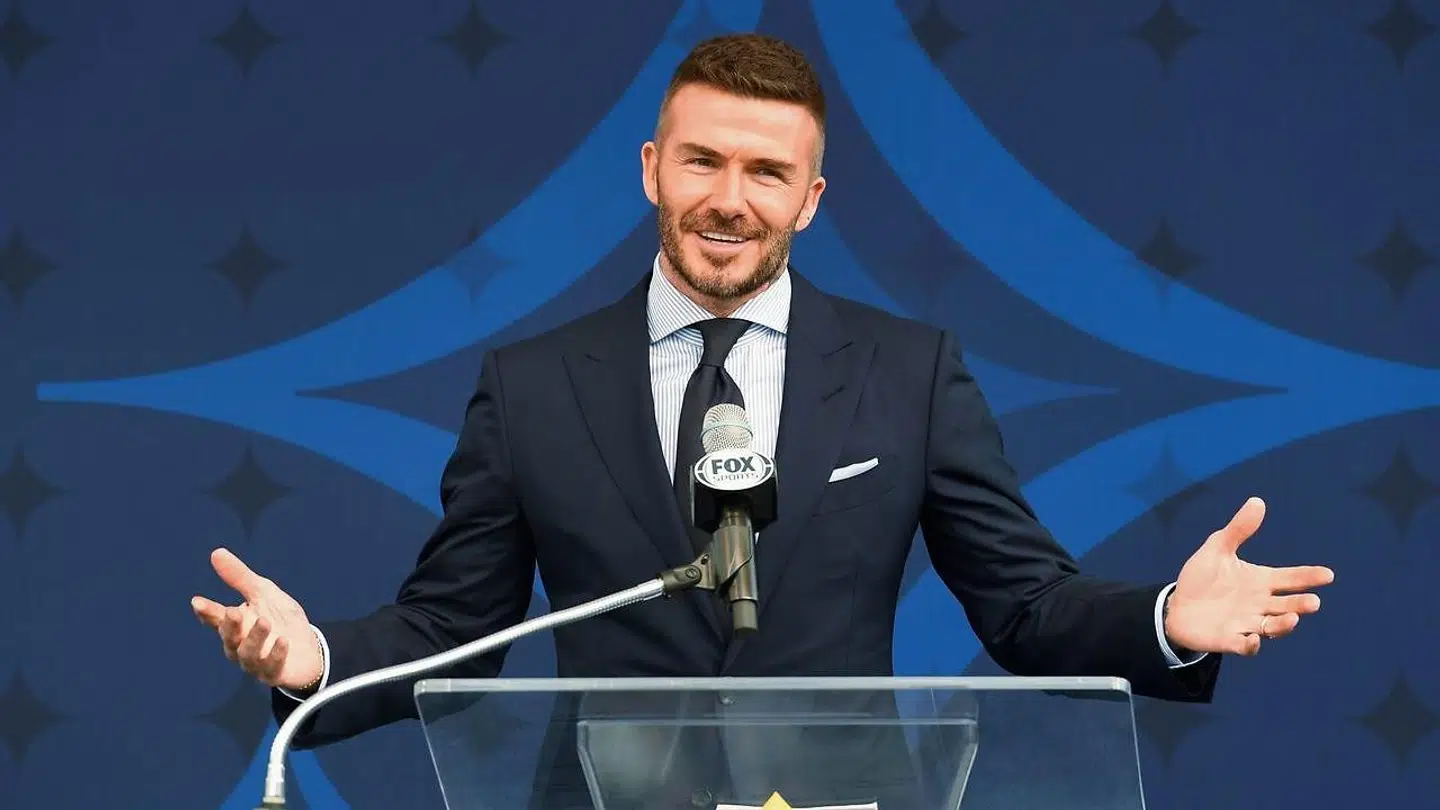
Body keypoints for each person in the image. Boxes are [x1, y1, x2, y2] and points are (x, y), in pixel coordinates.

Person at [193, 32, 1332, 806]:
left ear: (811, 199)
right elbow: (455, 628)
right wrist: (315, 658)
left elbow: (1027, 608)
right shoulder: (532, 384)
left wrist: (1170, 619)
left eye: (766, 172)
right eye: (702, 161)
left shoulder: (909, 373)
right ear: (652, 169)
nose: (729, 201)